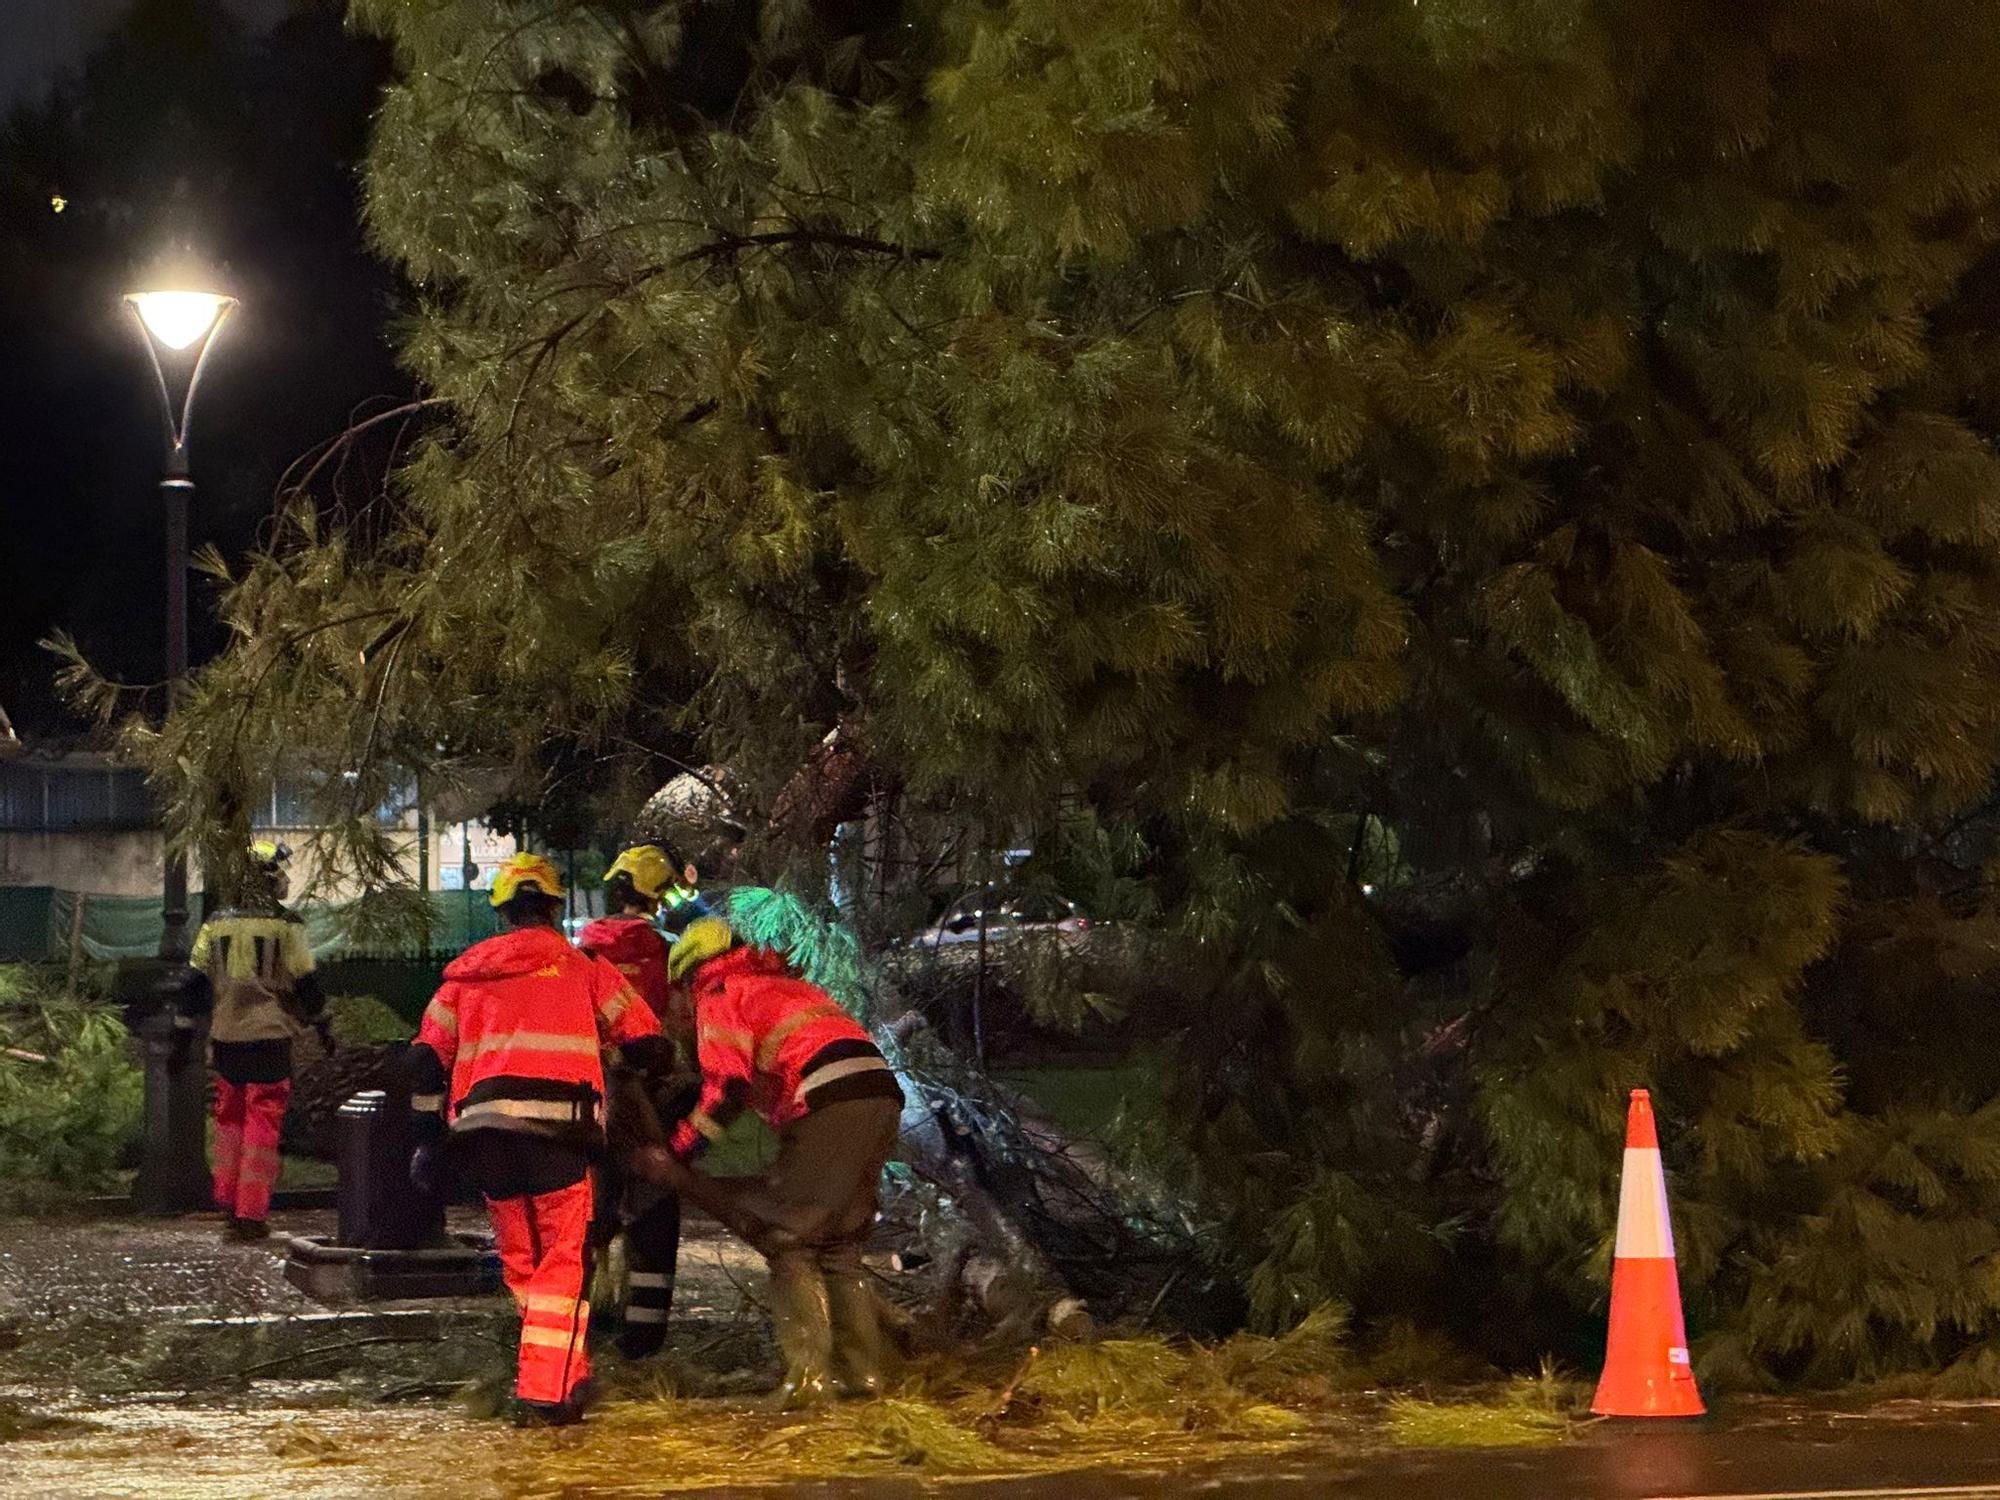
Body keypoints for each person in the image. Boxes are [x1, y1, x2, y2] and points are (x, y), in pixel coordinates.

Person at [406, 852, 663, 1425]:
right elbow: (648, 1040)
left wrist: (426, 1138)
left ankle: (564, 1375)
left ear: (501, 913)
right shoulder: (585, 968)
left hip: (482, 1136)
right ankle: (546, 1396)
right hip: (558, 1134)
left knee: (524, 1261)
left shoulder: (462, 977)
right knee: (562, 1263)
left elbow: (424, 1062)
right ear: (554, 907)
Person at [635, 913, 906, 1407]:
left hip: (829, 1098)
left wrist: (678, 1153)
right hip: (879, 1095)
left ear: (686, 978)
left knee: (788, 1239)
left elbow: (727, 1089)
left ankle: (807, 1383)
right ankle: (867, 1376)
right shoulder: (783, 986)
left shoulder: (718, 994)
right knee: (839, 1244)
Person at [577, 844, 693, 1356]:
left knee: (586, 1209)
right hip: (648, 1093)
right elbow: (676, 1029)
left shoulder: (584, 947)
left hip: (587, 1091)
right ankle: (644, 1342)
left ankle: (580, 1322)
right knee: (655, 1203)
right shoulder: (666, 950)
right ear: (657, 894)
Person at [189, 839, 329, 1241]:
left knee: (229, 1119)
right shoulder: (287, 925)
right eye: (280, 871)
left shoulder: (215, 924)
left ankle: (227, 1201)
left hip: (226, 1036)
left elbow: (196, 977)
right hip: (269, 1036)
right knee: (262, 1124)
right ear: (268, 877)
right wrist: (321, 1023)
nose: (285, 879)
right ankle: (251, 1214)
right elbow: (305, 982)